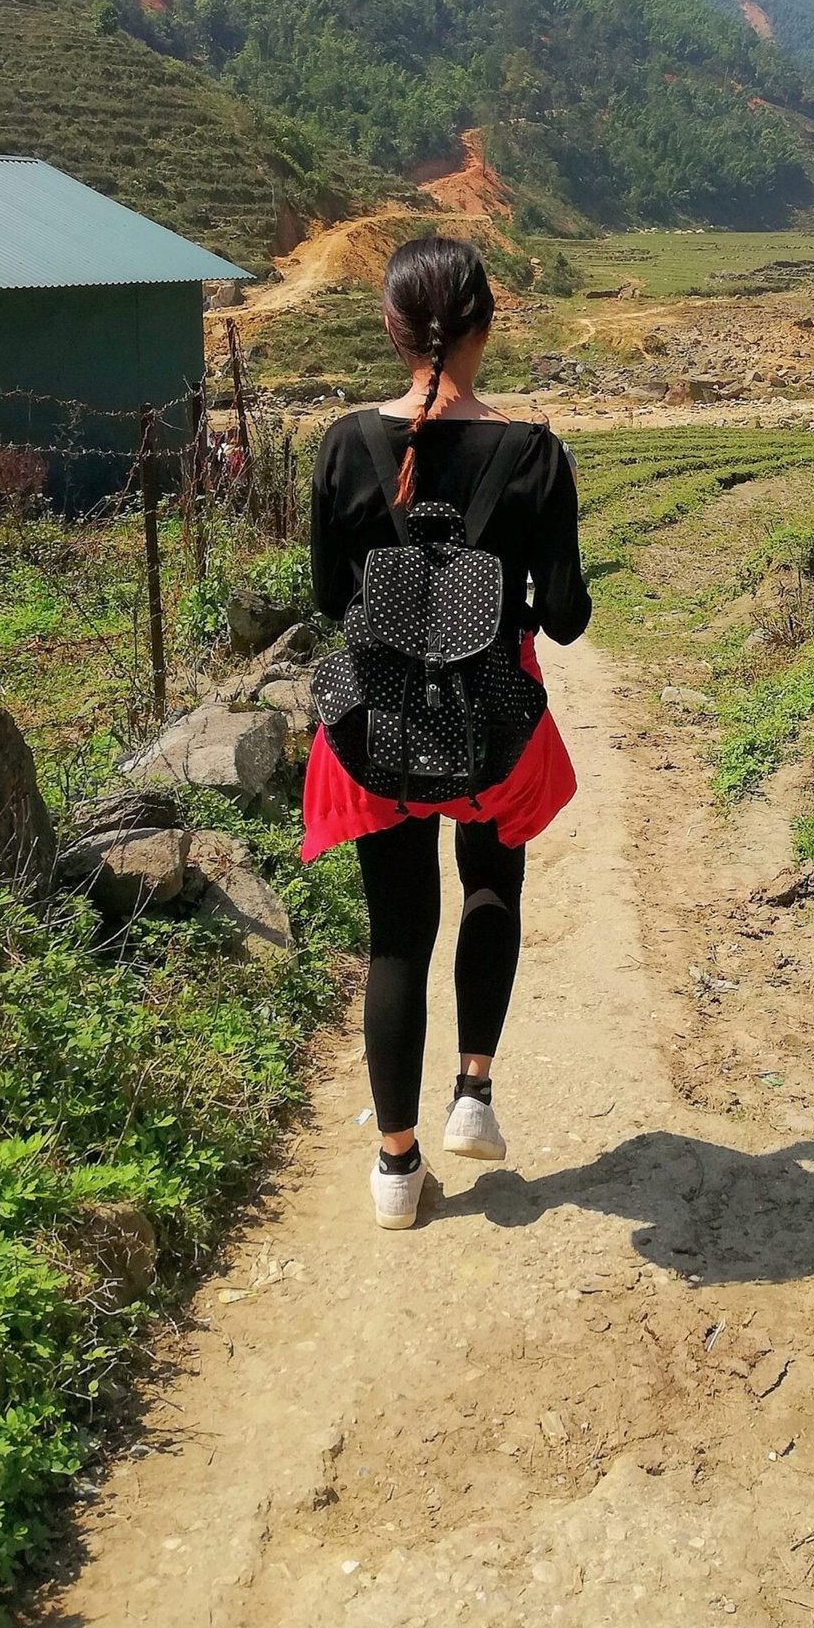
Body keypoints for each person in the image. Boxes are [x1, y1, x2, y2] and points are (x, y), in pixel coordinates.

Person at [301, 235, 591, 1229]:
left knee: (396, 933)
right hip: (493, 727)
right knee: (490, 884)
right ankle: (474, 1090)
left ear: (391, 328)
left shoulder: (344, 444)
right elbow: (565, 618)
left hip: (376, 727)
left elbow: (329, 596)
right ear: (485, 327)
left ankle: (395, 1167)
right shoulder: (533, 452)